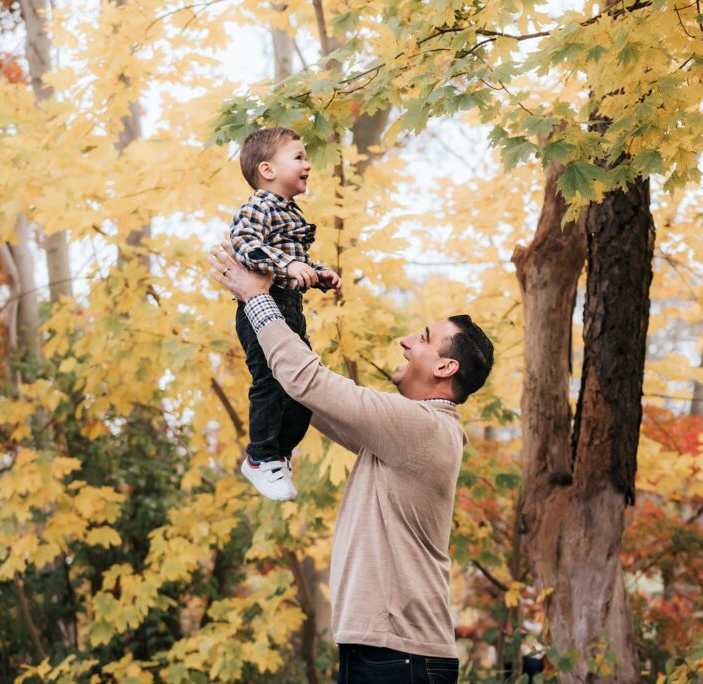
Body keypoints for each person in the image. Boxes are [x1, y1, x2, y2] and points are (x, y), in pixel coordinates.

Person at [209, 243, 494, 684]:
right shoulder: (406, 434)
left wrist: (258, 299)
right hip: (387, 651)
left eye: (422, 338)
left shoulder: (423, 429)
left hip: (401, 656)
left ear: (445, 366)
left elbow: (309, 380)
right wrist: (277, 296)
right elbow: (302, 392)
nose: (405, 342)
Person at [229, 127, 342, 501]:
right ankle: (260, 457)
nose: (308, 164)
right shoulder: (258, 206)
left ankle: (279, 453)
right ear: (267, 170)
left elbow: (298, 264)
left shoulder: (289, 211)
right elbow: (246, 245)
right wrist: (289, 265)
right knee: (270, 381)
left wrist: (319, 274)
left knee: (301, 386)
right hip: (261, 304)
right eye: (298, 157)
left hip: (290, 307)